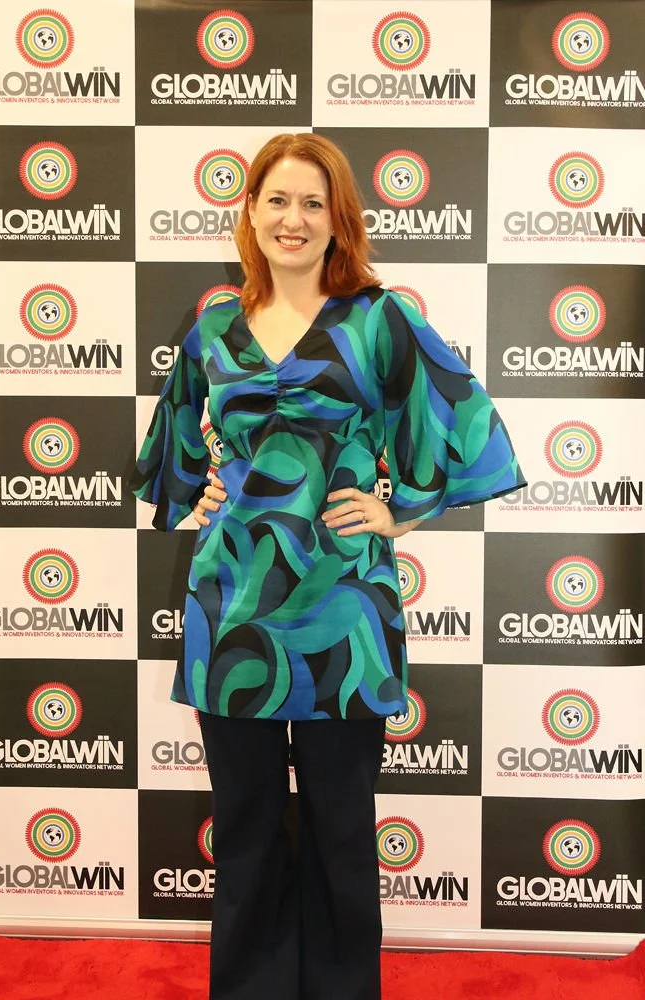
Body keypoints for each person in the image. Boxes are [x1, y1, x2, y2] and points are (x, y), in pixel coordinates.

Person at [130, 132, 526, 1000]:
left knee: (343, 829)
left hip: (344, 607)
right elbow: (171, 457)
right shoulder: (211, 328)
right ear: (251, 212)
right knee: (244, 828)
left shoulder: (380, 319)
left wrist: (402, 510)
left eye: (313, 202)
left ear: (339, 219)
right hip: (230, 605)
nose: (293, 218)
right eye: (277, 199)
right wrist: (191, 500)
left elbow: (465, 424)